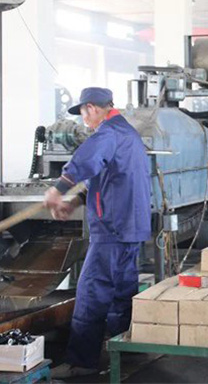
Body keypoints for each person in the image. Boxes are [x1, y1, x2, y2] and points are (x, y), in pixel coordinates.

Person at [44, 87, 151, 379]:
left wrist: (58, 189)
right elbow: (107, 177)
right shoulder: (128, 134)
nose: (83, 119)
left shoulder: (108, 133)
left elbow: (87, 160)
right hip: (130, 227)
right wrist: (76, 201)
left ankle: (81, 362)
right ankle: (125, 349)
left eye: (82, 113)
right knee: (122, 291)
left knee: (92, 290)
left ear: (91, 108)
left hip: (112, 228)